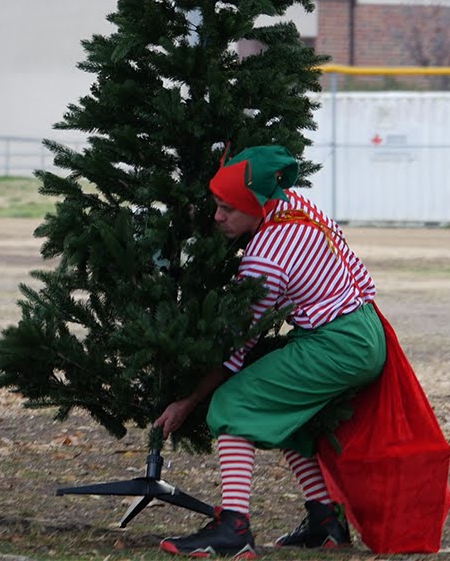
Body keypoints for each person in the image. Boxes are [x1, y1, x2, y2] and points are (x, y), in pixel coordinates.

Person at [155, 145, 386, 558]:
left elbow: (235, 348)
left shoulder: (264, 260)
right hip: (361, 328)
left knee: (233, 401)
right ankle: (325, 522)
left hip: (338, 343)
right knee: (287, 413)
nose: (217, 217)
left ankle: (233, 529)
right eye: (216, 205)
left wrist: (187, 402)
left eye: (229, 209)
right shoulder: (292, 203)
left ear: (255, 207)